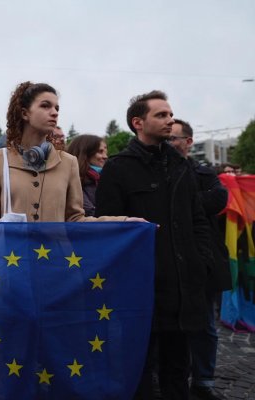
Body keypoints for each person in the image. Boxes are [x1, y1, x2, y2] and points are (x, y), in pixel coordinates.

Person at [95, 90, 213, 399]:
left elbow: (197, 219)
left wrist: (200, 260)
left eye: (171, 114)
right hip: (140, 288)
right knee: (139, 372)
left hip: (183, 287)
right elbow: (108, 231)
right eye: (161, 115)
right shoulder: (118, 168)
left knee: (178, 371)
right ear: (138, 122)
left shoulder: (180, 165)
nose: (170, 120)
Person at [0, 81, 136, 224]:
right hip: (11, 264)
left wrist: (124, 222)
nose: (54, 113)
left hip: (56, 266)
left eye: (57, 108)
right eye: (45, 106)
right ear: (24, 113)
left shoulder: (68, 162)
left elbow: (75, 219)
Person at [169, 118, 231, 400]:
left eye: (174, 139)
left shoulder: (203, 172)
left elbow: (219, 198)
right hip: (170, 262)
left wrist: (183, 203)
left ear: (188, 142)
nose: (168, 143)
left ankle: (204, 380)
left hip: (204, 261)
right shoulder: (160, 172)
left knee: (205, 324)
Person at [66, 134, 108, 217]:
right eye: (100, 152)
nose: (105, 156)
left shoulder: (105, 179)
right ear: (85, 153)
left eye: (106, 152)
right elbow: (90, 212)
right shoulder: (73, 181)